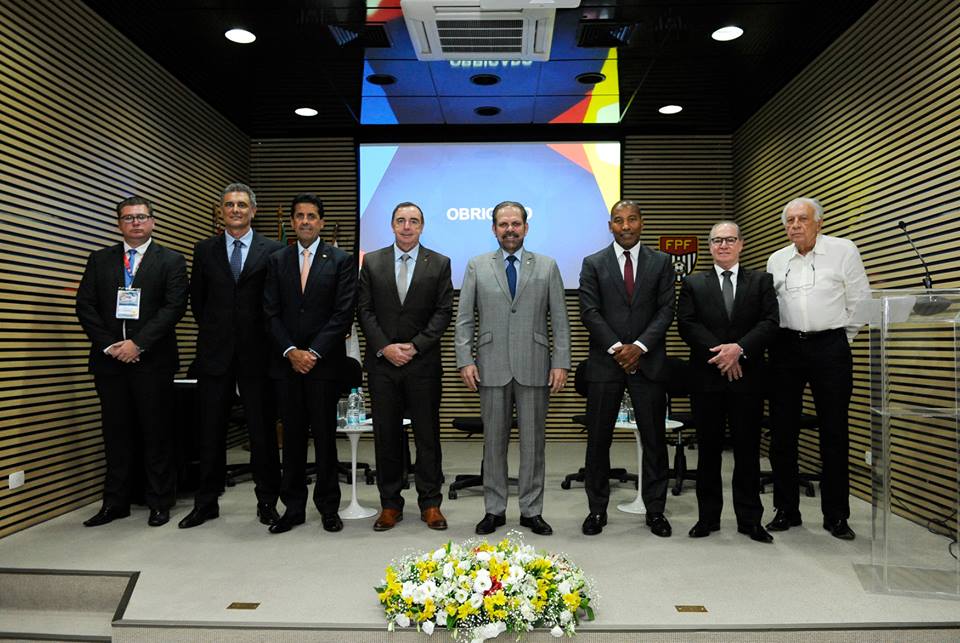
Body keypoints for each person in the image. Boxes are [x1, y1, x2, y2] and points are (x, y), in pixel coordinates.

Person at [455, 201, 570, 536]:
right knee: (493, 443)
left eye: (515, 224)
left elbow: (560, 322)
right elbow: (464, 319)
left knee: (534, 444)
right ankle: (494, 509)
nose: (510, 229)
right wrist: (465, 359)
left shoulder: (547, 266)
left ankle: (532, 511)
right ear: (493, 229)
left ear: (525, 227)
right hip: (490, 366)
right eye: (503, 224)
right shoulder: (477, 265)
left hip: (535, 365)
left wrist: (561, 362)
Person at [76, 196, 188, 527]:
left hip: (153, 361)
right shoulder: (100, 260)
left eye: (141, 217)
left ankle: (159, 501)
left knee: (156, 433)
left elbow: (174, 307)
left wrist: (138, 344)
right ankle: (115, 503)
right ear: (118, 224)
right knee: (116, 434)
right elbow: (86, 306)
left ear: (152, 221)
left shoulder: (171, 260)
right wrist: (111, 345)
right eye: (128, 218)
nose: (135, 223)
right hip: (110, 363)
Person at [178, 183, 283, 529]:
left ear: (254, 211)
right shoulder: (204, 249)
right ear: (220, 211)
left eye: (241, 205)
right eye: (229, 205)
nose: (235, 210)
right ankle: (206, 503)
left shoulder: (274, 249)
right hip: (215, 355)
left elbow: (275, 302)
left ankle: (267, 502)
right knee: (209, 432)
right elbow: (199, 301)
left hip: (259, 355)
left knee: (262, 433)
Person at [765, 197, 870, 540]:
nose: (795, 225)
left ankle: (837, 515)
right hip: (785, 349)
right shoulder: (777, 259)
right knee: (782, 433)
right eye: (790, 220)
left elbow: (859, 300)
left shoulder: (844, 250)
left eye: (802, 219)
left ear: (819, 222)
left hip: (831, 347)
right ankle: (786, 510)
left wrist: (841, 340)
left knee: (835, 433)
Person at [677, 221, 780, 543]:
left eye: (729, 240)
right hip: (707, 377)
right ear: (709, 246)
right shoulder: (694, 283)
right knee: (708, 451)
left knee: (748, 451)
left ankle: (750, 520)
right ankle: (708, 519)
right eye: (717, 240)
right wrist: (723, 355)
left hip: (748, 378)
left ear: (741, 244)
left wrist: (740, 350)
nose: (723, 245)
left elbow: (770, 322)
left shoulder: (762, 281)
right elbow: (686, 325)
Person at [578, 200, 674, 537]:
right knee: (598, 441)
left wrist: (640, 347)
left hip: (648, 363)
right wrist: (619, 348)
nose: (626, 226)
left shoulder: (661, 262)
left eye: (632, 219)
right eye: (619, 220)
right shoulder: (593, 263)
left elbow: (666, 310)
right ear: (610, 226)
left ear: (642, 223)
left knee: (654, 440)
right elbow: (589, 310)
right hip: (606, 363)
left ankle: (656, 511)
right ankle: (597, 511)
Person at [263, 193, 357, 534]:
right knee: (292, 440)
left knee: (324, 438)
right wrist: (291, 351)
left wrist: (313, 353)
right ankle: (294, 508)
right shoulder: (276, 260)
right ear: (292, 222)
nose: (305, 221)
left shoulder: (342, 260)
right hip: (286, 365)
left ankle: (328, 507)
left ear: (320, 222)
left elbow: (343, 312)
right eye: (299, 216)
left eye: (311, 216)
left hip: (324, 365)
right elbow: (269, 312)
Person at [358, 202, 453, 532]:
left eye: (413, 221)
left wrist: (415, 346)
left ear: (422, 227)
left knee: (427, 436)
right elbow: (364, 311)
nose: (407, 226)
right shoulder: (371, 261)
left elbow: (443, 312)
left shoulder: (439, 263)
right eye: (401, 220)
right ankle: (389, 505)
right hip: (383, 364)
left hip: (422, 363)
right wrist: (385, 347)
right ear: (392, 225)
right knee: (386, 436)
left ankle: (430, 504)